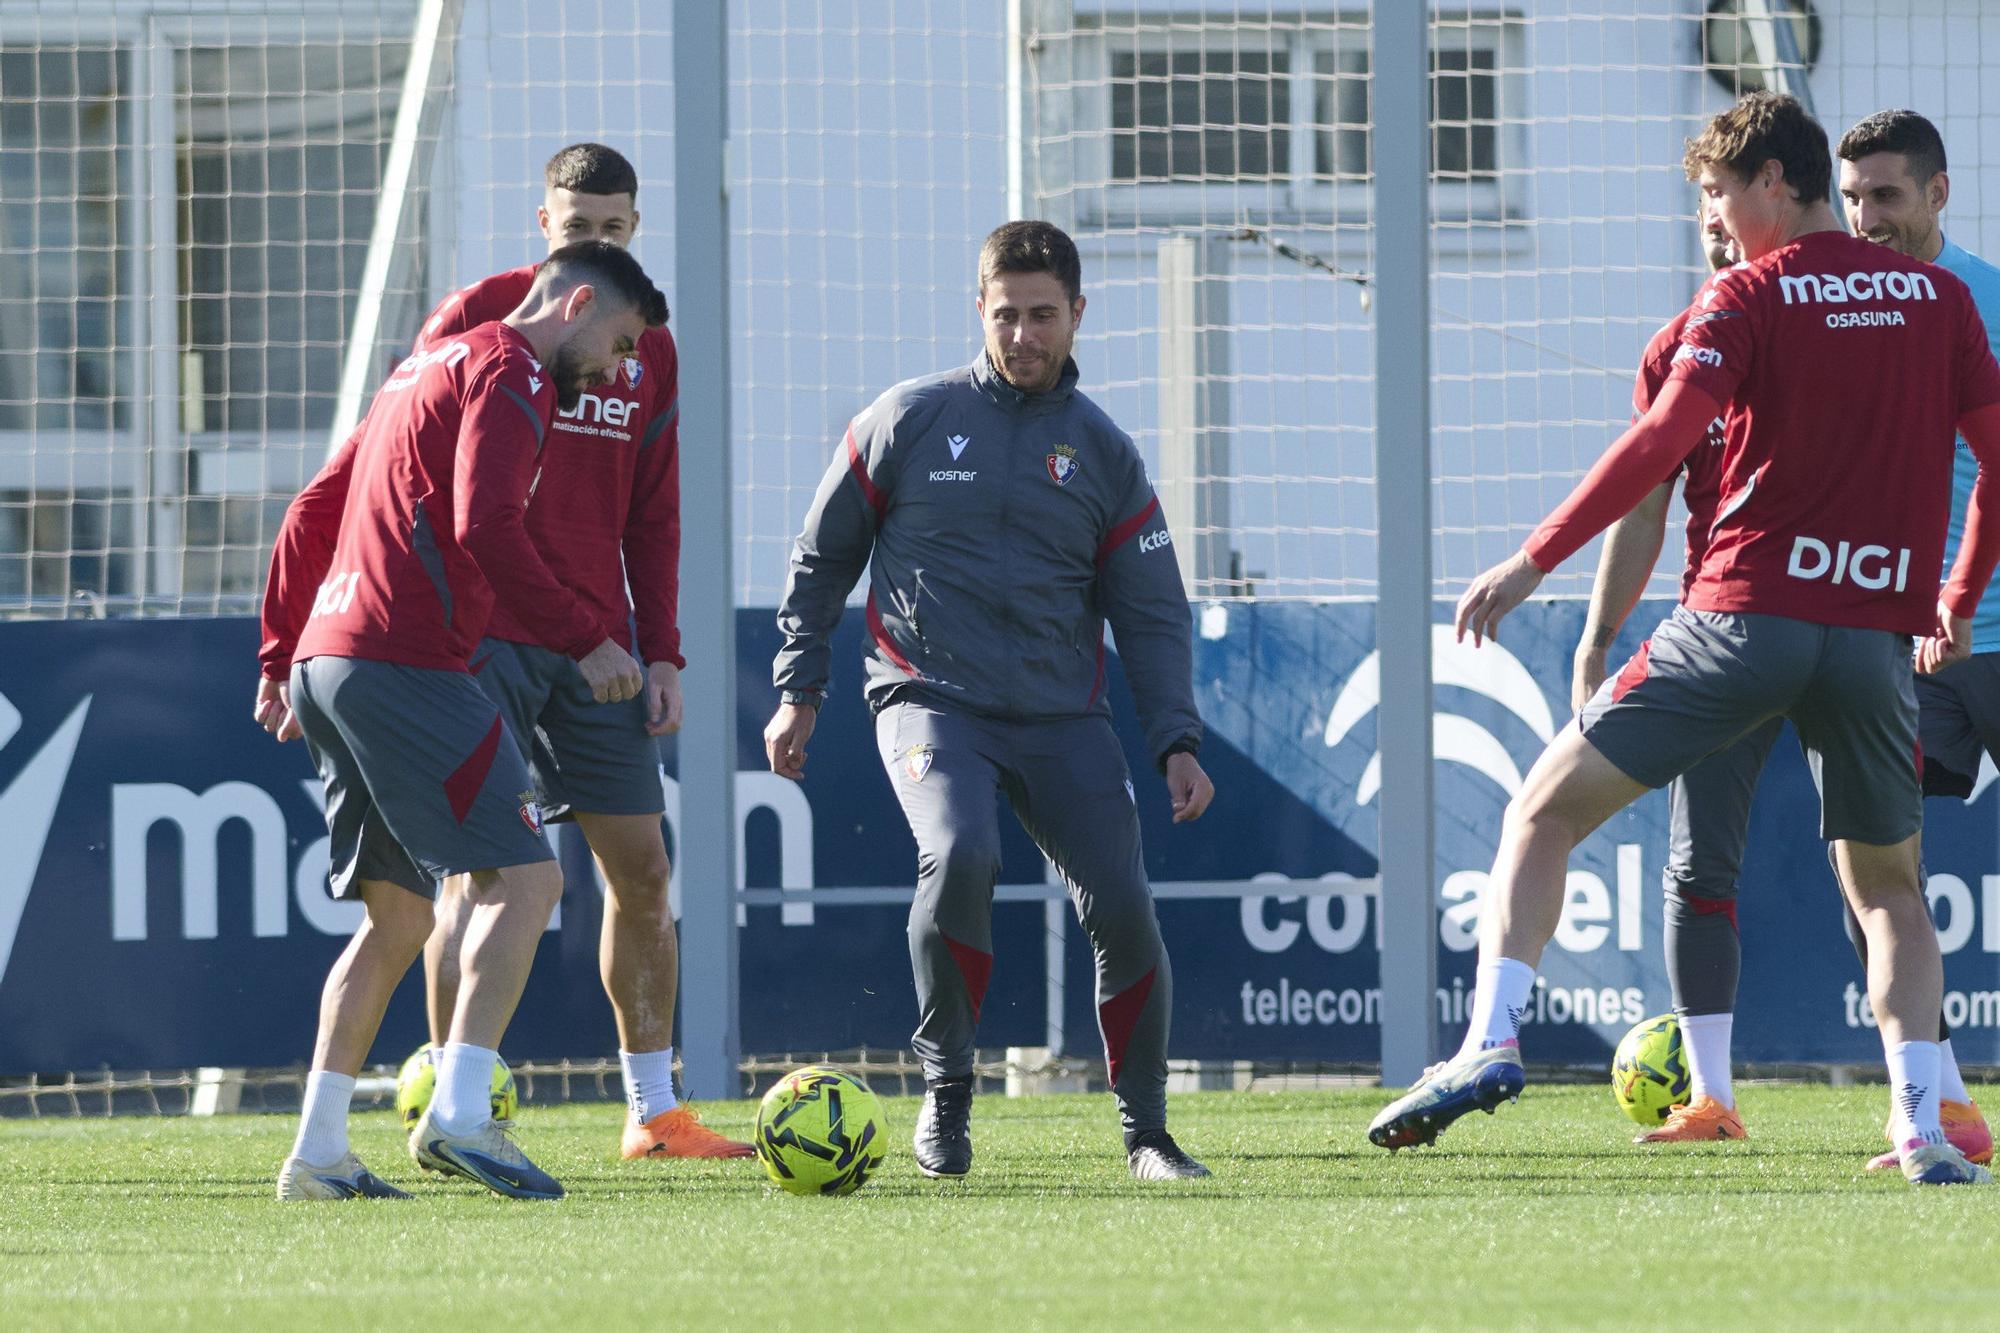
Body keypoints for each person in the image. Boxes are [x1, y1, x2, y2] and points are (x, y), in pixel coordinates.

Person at [1368, 91, 2000, 1187]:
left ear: (1767, 183)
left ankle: (1487, 1043)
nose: (1710, 216)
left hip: (1740, 621)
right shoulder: (1939, 299)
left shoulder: (1745, 296)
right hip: (1872, 641)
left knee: (1538, 811)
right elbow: (1995, 460)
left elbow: (1660, 444)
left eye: (1715, 193)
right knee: (1890, 893)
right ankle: (1921, 1129)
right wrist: (1954, 589)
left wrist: (1530, 560)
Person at [763, 220, 1217, 1181]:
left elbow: (1152, 614)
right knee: (962, 851)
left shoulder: (1106, 454)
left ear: (1077, 315)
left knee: (1126, 905)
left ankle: (1147, 1134)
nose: (1022, 336)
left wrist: (1177, 737)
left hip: (1062, 719)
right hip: (930, 701)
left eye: (1042, 316)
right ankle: (948, 1098)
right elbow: (820, 553)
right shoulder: (907, 419)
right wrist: (800, 685)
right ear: (980, 310)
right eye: (1005, 315)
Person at [256, 240, 668, 1200]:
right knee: (525, 878)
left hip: (330, 654)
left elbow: (313, 504)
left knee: (397, 914)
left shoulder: (419, 366)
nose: (620, 366)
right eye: (620, 338)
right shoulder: (512, 369)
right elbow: (490, 524)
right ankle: (461, 1113)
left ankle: (317, 1153)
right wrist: (587, 636)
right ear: (573, 304)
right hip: (405, 660)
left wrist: (282, 654)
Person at [412, 143, 749, 1161]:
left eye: (612, 229)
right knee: (474, 877)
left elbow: (654, 512)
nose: (595, 244)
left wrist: (663, 650)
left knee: (643, 871)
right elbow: (410, 467)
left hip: (599, 647)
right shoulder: (480, 317)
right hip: (483, 636)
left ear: (633, 231)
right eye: (577, 227)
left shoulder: (650, 345)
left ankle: (651, 1111)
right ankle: (451, 1090)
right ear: (543, 221)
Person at [1569, 196, 1765, 1144]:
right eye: (1705, 217)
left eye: (1733, 210)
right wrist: (1600, 633)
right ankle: (1713, 1099)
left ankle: (1933, 1098)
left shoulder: (1845, 322)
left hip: (1843, 620)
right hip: (1720, 631)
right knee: (1698, 868)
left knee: (1879, 870)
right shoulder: (1672, 348)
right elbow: (1645, 501)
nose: (1720, 231)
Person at [1835, 108, 2000, 1171]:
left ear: (1936, 195)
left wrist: (1952, 591)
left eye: (1884, 197)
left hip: (1979, 629)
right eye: (1850, 199)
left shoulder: (1981, 301)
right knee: (1874, 875)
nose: (1865, 221)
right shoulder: (1843, 307)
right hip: (1906, 650)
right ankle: (1939, 1105)